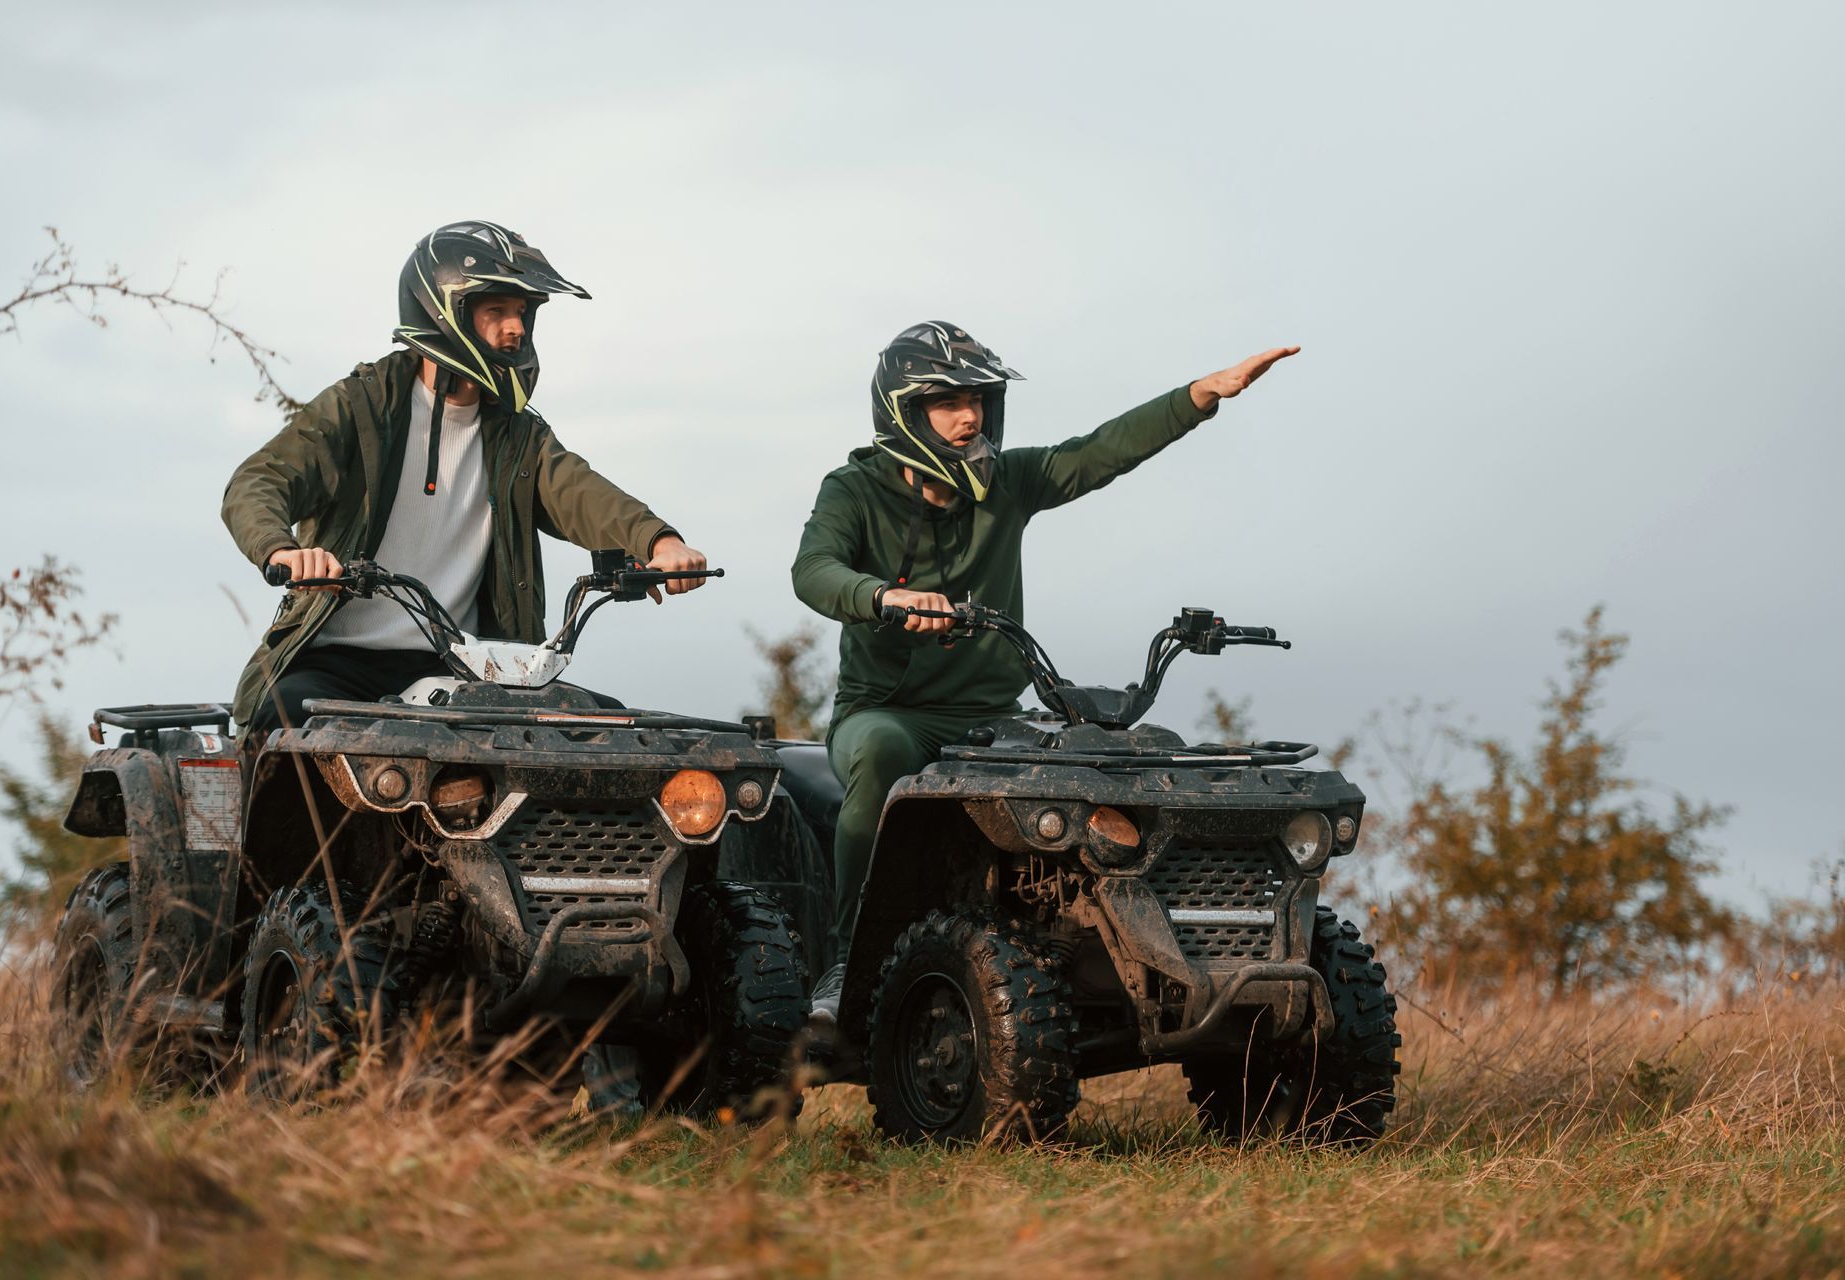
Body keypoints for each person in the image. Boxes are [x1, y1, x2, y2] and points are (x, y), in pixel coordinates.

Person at [790, 321, 1298, 1027]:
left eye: (977, 398)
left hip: (996, 725)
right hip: (889, 713)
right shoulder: (854, 488)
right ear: (903, 411)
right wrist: (883, 596)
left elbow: (1094, 456)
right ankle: (845, 961)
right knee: (879, 755)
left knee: (1122, 765)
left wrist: (1199, 396)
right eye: (946, 401)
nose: (969, 416)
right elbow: (813, 572)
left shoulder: (1008, 481)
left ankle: (1172, 956)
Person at [223, 219, 709, 738]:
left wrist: (658, 540)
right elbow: (259, 481)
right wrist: (282, 550)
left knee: (610, 732)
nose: (516, 328)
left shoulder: (518, 435)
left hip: (458, 670)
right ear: (442, 311)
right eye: (496, 311)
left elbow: (579, 491)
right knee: (292, 725)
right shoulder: (362, 405)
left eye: (521, 313)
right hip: (336, 660)